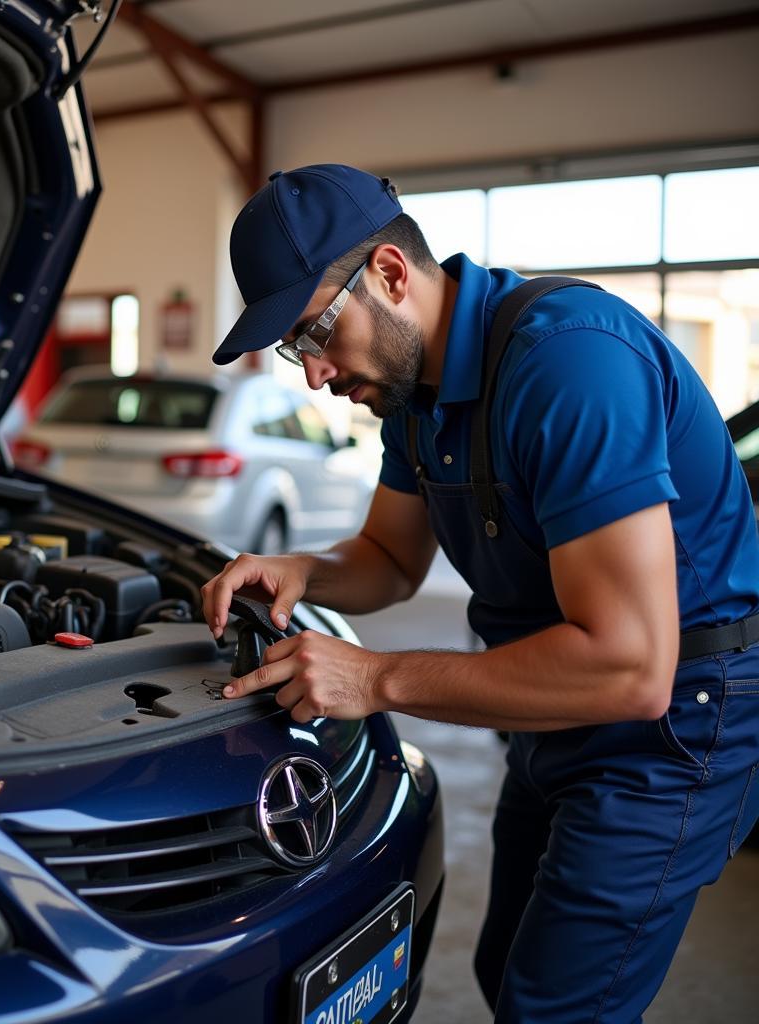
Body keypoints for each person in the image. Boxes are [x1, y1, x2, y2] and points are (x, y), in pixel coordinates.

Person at [201, 164, 759, 1023]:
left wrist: (375, 677)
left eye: (314, 333)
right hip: (549, 702)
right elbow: (389, 556)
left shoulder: (567, 364)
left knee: (555, 1008)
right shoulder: (414, 395)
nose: (313, 375)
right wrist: (306, 571)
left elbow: (632, 668)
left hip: (674, 721)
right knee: (506, 970)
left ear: (389, 273)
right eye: (294, 350)